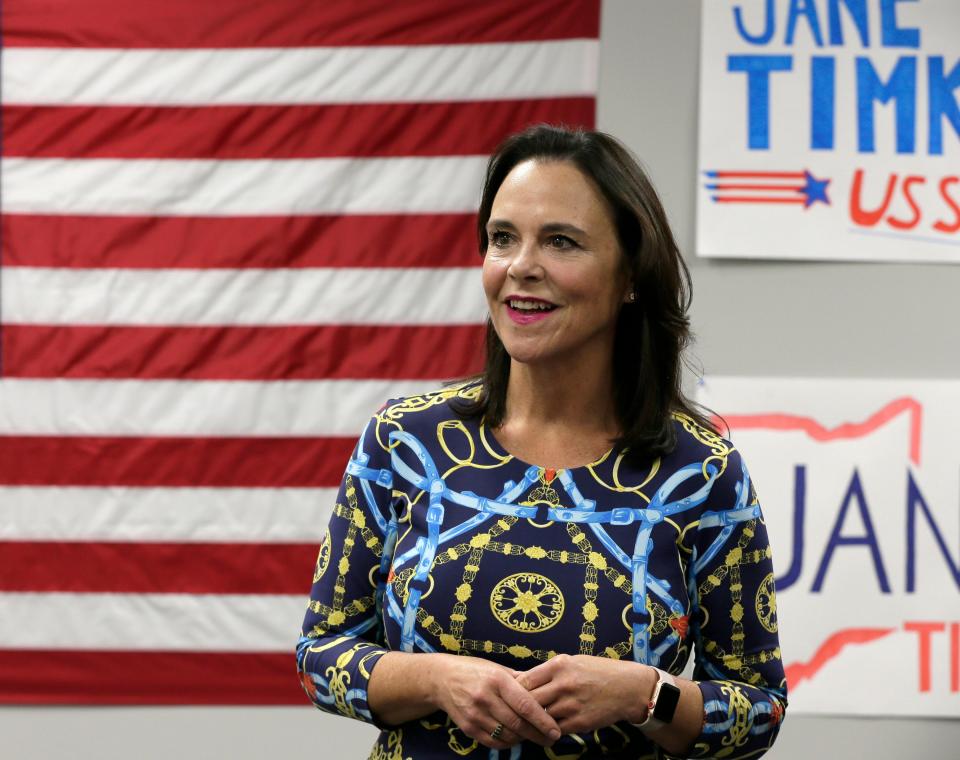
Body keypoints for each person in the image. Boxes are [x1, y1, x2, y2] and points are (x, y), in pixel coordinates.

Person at [296, 125, 787, 759]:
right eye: (503, 239)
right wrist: (439, 680)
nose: (521, 267)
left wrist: (647, 694)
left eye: (561, 241)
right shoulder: (404, 440)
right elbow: (319, 657)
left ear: (631, 275)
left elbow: (759, 708)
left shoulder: (702, 472)